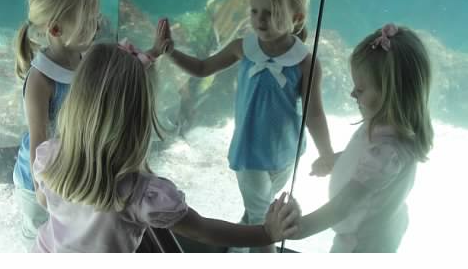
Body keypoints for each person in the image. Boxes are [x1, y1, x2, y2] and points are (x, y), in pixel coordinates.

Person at [31, 43, 300, 253]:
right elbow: (205, 230)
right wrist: (267, 233)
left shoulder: (48, 157)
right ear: (139, 121)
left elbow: (44, 201)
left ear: (76, 103)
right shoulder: (142, 195)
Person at [156, 0, 334, 252]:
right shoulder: (243, 47)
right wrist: (171, 52)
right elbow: (203, 68)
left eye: (270, 13)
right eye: (255, 11)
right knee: (267, 225)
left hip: (286, 155)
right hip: (250, 154)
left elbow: (314, 113)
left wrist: (326, 154)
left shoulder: (305, 62)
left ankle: (234, 250)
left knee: (255, 216)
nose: (260, 20)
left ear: (296, 17)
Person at [289, 24, 434, 252]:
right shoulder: (382, 125)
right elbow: (365, 160)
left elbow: (343, 206)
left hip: (360, 245)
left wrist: (300, 227)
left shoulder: (388, 150)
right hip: (372, 233)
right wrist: (338, 160)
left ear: (391, 93)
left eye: (361, 89)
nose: (352, 94)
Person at [12, 0, 102, 249]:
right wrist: (42, 190)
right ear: (55, 29)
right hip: (38, 180)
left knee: (64, 239)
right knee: (39, 238)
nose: (96, 24)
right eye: (88, 20)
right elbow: (39, 138)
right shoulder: (40, 79)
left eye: (96, 16)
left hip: (70, 171)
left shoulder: (82, 57)